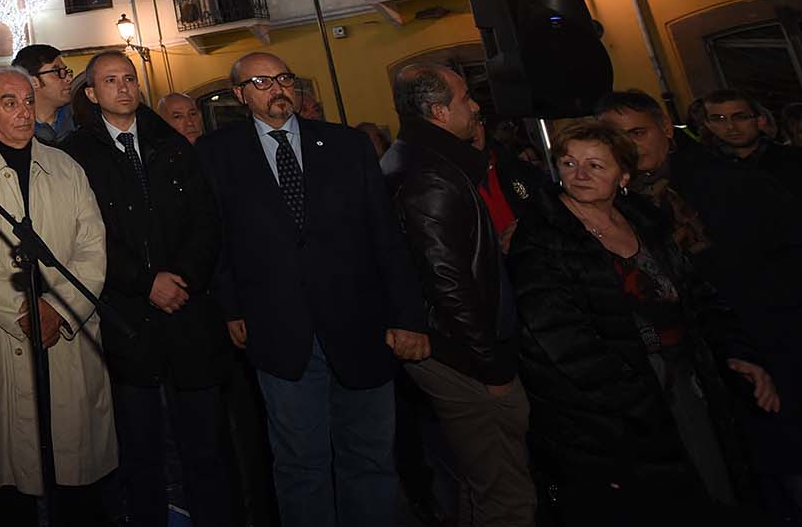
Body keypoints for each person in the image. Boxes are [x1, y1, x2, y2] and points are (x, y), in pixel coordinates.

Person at [197, 51, 426, 527]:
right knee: (301, 465)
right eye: (262, 82)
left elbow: (385, 236)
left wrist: (407, 316)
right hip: (279, 332)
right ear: (240, 95)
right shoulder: (218, 154)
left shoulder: (346, 145)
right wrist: (231, 308)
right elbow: (215, 239)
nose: (278, 88)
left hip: (360, 326)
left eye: (284, 78)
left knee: (370, 458)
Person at [509, 120, 781, 521]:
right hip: (611, 414)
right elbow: (558, 338)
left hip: (687, 385)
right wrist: (637, 402)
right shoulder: (543, 235)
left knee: (716, 491)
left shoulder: (644, 219)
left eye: (595, 166)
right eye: (568, 163)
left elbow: (697, 297)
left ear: (623, 175)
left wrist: (736, 353)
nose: (578, 175)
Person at [600, 90, 802, 518]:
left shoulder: (735, 182)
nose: (629, 145)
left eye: (638, 132)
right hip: (699, 365)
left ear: (665, 131)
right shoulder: (614, 207)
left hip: (774, 342)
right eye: (615, 136)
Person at [65, 53, 232, 526]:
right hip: (127, 323)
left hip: (188, 313)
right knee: (139, 451)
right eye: (110, 81)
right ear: (92, 95)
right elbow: (88, 235)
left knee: (205, 446)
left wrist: (183, 279)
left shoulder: (173, 144)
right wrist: (145, 282)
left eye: (129, 78)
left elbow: (206, 221)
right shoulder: (77, 154)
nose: (123, 87)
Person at [0, 65, 115, 525]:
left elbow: (92, 245)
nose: (23, 112)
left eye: (26, 101)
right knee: (5, 474)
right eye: (8, 103)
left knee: (75, 471)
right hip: (0, 334)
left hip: (65, 333)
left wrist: (59, 309)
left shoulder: (66, 166)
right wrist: (22, 312)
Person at [383, 64, 534, 527]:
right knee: (506, 494)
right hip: (461, 356)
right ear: (439, 111)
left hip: (457, 350)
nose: (476, 106)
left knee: (480, 480)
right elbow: (447, 283)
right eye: (466, 97)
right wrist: (490, 366)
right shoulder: (429, 175)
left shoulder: (424, 160)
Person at [701, 87, 802, 199]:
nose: (730, 126)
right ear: (708, 125)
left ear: (760, 120)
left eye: (740, 117)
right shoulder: (703, 169)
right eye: (719, 119)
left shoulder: (794, 159)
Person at [13, 43, 76, 144]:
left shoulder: (79, 118)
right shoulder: (16, 127)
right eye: (57, 72)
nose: (68, 78)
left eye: (66, 71)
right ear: (34, 82)